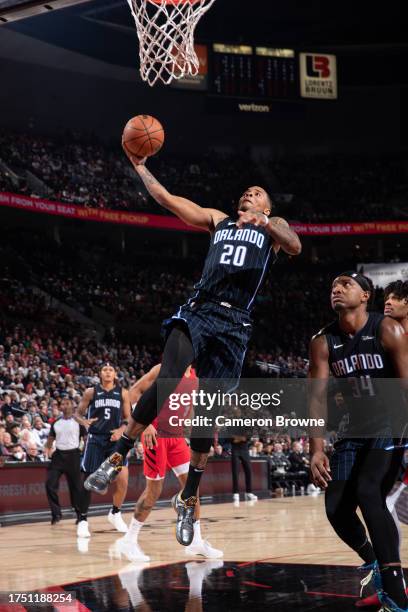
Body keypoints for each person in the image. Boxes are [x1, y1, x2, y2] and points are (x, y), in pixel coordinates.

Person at [85, 150, 301, 547]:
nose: (249, 195)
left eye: (257, 193)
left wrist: (267, 222)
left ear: (267, 205)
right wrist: (140, 167)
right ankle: (117, 454)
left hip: (235, 323)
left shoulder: (272, 227)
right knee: (168, 377)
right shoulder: (219, 219)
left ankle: (188, 496)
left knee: (209, 412)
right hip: (199, 311)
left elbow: (295, 246)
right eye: (247, 192)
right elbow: (168, 200)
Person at [309, 272, 408, 612]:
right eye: (332, 286)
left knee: (368, 491)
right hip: (353, 429)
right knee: (335, 508)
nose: (336, 289)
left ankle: (396, 592)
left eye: (345, 284)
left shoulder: (387, 330)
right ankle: (374, 562)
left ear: (366, 295)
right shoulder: (323, 342)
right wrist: (317, 449)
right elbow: (316, 399)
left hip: (391, 423)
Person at [114, 363, 222, 561]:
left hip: (177, 436)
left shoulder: (196, 377)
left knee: (192, 487)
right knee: (154, 490)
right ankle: (128, 541)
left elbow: (192, 410)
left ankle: (195, 541)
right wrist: (144, 424)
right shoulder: (164, 368)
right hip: (156, 435)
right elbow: (133, 392)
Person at [358, 280, 408, 609]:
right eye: (387, 297)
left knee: (385, 505)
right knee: (382, 505)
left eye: (397, 297)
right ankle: (394, 583)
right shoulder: (384, 337)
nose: (388, 302)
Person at [76, 362, 131, 538]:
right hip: (95, 439)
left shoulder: (123, 393)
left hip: (115, 440)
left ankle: (115, 513)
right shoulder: (91, 392)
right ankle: (83, 520)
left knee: (122, 477)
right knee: (88, 479)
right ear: (100, 374)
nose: (107, 372)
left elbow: (129, 419)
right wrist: (83, 422)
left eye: (111, 370)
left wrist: (121, 430)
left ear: (115, 374)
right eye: (104, 370)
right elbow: (78, 414)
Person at [44, 398, 86, 525]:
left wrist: (84, 450)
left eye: (67, 403)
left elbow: (86, 437)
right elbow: (50, 439)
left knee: (76, 487)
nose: (64, 405)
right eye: (62, 403)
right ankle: (56, 514)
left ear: (73, 406)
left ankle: (80, 514)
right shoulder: (56, 423)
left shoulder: (79, 422)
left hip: (73, 455)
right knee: (49, 484)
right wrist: (47, 448)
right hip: (58, 456)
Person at [230, 434, 258, 503]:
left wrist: (238, 439)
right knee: (235, 472)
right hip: (235, 450)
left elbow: (247, 438)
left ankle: (249, 492)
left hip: (245, 450)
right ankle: (235, 493)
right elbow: (231, 439)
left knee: (248, 471)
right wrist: (241, 438)